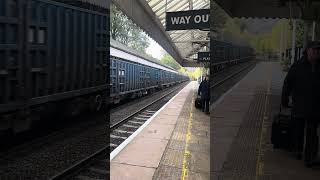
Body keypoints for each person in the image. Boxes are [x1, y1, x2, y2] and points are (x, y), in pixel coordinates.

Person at [281, 41, 320, 167]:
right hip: (300, 105)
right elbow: (288, 83)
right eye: (313, 50)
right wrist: (284, 99)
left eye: (318, 50)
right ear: (307, 50)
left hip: (315, 107)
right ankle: (297, 150)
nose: (316, 52)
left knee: (312, 133)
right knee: (298, 130)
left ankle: (310, 158)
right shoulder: (298, 66)